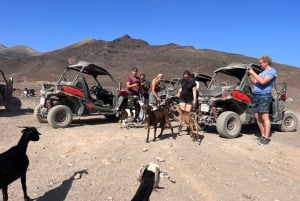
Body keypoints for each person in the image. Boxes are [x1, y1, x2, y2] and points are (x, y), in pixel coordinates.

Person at [248, 55, 277, 145]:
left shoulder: (272, 71)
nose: (259, 65)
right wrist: (249, 74)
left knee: (265, 117)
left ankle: (266, 137)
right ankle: (263, 135)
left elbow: (263, 81)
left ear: (266, 62)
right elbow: (255, 82)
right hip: (256, 96)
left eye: (260, 63)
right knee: (257, 117)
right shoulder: (261, 73)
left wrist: (253, 72)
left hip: (264, 96)